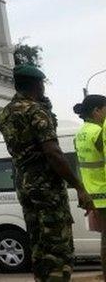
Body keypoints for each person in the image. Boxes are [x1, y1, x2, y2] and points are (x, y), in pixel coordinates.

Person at [0, 64, 94, 282]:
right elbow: (53, 152)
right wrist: (78, 187)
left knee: (39, 244)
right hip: (46, 184)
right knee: (58, 247)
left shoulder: (4, 115)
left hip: (24, 182)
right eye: (42, 84)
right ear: (36, 84)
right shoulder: (35, 111)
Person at [73, 94, 106, 277]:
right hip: (103, 190)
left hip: (93, 193)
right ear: (96, 111)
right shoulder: (98, 132)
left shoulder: (80, 133)